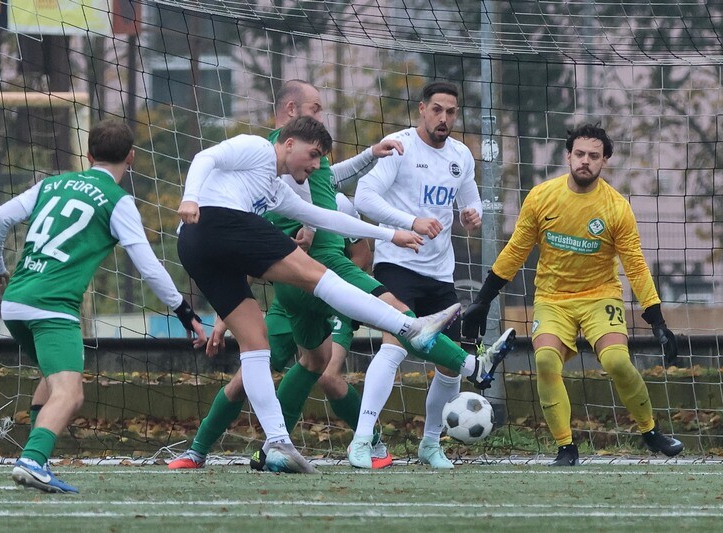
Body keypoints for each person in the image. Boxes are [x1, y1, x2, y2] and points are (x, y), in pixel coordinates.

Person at [168, 81, 502, 473]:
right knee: (317, 275)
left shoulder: (278, 192)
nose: (315, 166)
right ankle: (412, 329)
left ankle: (276, 443)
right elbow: (206, 156)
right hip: (216, 221)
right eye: (312, 156)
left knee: (257, 346)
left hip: (196, 249)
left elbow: (329, 217)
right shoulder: (258, 148)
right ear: (289, 141)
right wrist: (190, 197)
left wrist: (389, 233)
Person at [0, 118, 207, 494]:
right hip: (53, 308)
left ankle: (37, 458)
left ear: (88, 155)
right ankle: (33, 461)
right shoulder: (118, 201)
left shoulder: (52, 184)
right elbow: (149, 267)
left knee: (53, 380)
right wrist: (184, 312)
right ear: (131, 157)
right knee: (71, 394)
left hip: (16, 303)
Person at [462, 123, 683, 466]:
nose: (585, 161)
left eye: (594, 156)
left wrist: (657, 321)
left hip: (600, 296)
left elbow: (636, 266)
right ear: (568, 156)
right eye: (579, 154)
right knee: (546, 362)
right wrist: (482, 300)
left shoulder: (616, 207)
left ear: (604, 161)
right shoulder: (541, 197)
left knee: (617, 361)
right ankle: (566, 447)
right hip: (553, 299)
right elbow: (515, 251)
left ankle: (650, 432)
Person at [348, 81, 516, 469]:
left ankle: (430, 444)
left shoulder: (461, 155)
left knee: (449, 363)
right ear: (422, 109)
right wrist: (411, 222)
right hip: (396, 264)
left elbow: (470, 199)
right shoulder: (399, 147)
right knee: (393, 346)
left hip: (440, 273)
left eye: (451, 112)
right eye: (437, 109)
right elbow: (364, 197)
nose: (444, 118)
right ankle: (361, 440)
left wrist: (472, 213)